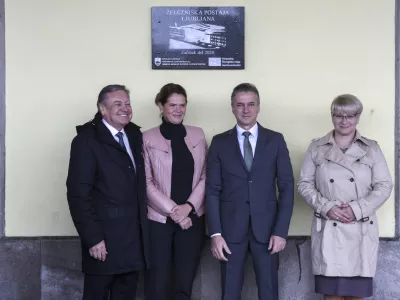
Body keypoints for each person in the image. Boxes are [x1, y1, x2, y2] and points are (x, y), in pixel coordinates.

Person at [298, 94, 393, 300]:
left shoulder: (371, 148)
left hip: (360, 229)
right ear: (332, 116)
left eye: (350, 115)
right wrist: (326, 207)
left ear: (358, 117)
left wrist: (356, 209)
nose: (344, 120)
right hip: (329, 230)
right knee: (331, 296)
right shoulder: (316, 148)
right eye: (338, 115)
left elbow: (384, 186)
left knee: (356, 296)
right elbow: (305, 184)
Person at [206, 83, 294, 300]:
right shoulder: (219, 142)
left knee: (269, 291)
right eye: (240, 105)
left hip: (267, 232)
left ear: (258, 107)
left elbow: (286, 187)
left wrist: (281, 231)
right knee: (229, 292)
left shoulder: (275, 140)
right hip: (230, 232)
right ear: (232, 108)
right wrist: (215, 234)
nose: (246, 110)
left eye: (251, 104)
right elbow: (212, 190)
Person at [66, 84, 150, 300]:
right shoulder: (86, 141)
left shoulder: (134, 135)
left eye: (128, 104)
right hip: (103, 243)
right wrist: (93, 239)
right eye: (117, 104)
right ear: (102, 109)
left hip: (132, 240)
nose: (125, 108)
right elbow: (78, 195)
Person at [143, 83, 207, 300]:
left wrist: (188, 208)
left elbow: (206, 177)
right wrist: (174, 211)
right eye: (172, 105)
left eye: (182, 105)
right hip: (159, 221)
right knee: (157, 283)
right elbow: (145, 183)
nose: (178, 110)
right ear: (161, 106)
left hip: (192, 220)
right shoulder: (147, 138)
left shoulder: (198, 135)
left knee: (184, 282)